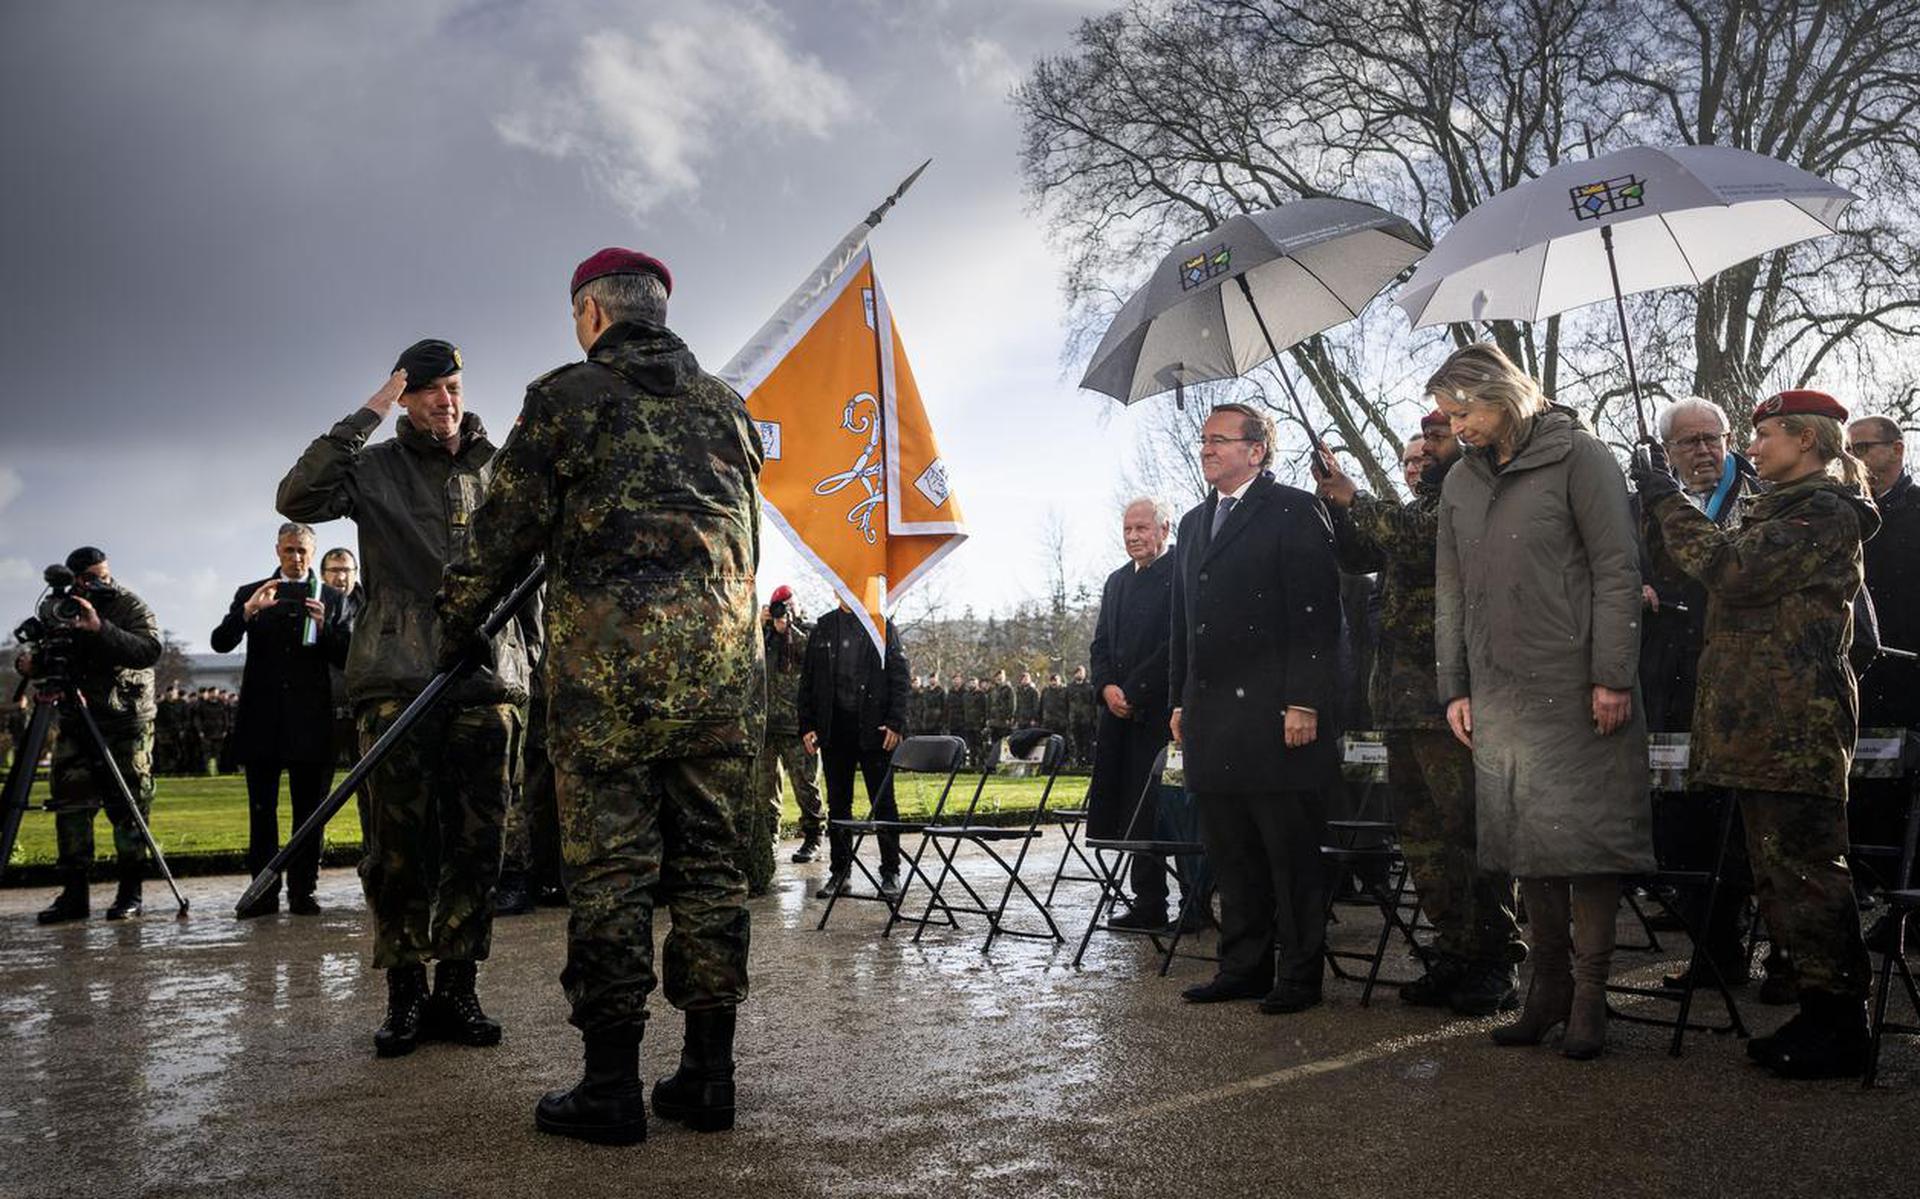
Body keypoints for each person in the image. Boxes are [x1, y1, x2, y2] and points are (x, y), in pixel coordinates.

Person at [437, 246, 763, 1144]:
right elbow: (748, 547)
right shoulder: (729, 411)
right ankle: (709, 1076)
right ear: (659, 310)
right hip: (718, 685)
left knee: (613, 877)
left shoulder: (565, 400)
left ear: (592, 313)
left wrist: (455, 620)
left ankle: (611, 1086)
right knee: (708, 874)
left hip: (607, 688)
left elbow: (502, 534)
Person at [279, 336, 533, 1057]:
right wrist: (370, 408)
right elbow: (297, 495)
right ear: (405, 396)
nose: (444, 402)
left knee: (479, 843)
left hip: (489, 681)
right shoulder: (375, 469)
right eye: (426, 391)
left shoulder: (500, 466)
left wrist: (529, 658)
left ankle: (458, 984)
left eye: (452, 387)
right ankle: (404, 992)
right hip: (399, 680)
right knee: (397, 847)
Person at [1635, 389, 1880, 1078]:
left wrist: (1667, 501)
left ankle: (1840, 1021)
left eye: (1765, 433)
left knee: (1808, 875)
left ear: (1806, 439)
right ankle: (1816, 1009)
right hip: (1761, 722)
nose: (1754, 445)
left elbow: (1732, 571)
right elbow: (1697, 565)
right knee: (1776, 875)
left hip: (1794, 721)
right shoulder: (1783, 508)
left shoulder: (1823, 511)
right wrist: (1661, 501)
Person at [1431, 343, 1652, 1061]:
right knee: (1530, 845)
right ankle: (1545, 987)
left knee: (1586, 843)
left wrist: (1613, 673)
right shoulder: (1460, 483)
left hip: (1577, 681)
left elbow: (1619, 566)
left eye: (1466, 410)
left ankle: (1590, 996)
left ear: (1506, 395)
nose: (1457, 425)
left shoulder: (1581, 457)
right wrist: (1454, 686)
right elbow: (1451, 590)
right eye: (1448, 414)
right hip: (1499, 691)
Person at [1318, 411, 1524, 1016]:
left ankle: (1494, 956)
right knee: (1422, 837)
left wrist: (1358, 494)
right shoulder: (1414, 506)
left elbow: (1418, 538)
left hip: (1453, 697)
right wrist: (1334, 499)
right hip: (1402, 699)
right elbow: (1359, 556)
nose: (1426, 450)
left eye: (1436, 438)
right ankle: (1455, 949)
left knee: (1470, 831)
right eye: (1423, 441)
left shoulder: (1474, 490)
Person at [1170, 403, 1342, 1014]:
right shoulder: (1193, 524)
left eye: (1220, 440)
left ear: (1257, 450)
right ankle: (1242, 966)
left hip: (1277, 716)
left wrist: (1305, 700)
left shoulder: (1293, 510)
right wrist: (1178, 698)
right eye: (1205, 440)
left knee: (1287, 852)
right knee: (1232, 850)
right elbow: (1183, 623)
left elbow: (1316, 616)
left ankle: (1298, 976)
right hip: (1213, 716)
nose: (1208, 449)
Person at [209, 522, 350, 918]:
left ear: (312, 552)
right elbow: (221, 642)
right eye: (289, 550)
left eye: (303, 551)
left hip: (310, 721)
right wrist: (247, 612)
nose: (296, 557)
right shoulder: (251, 592)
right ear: (277, 551)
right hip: (263, 719)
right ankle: (264, 892)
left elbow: (349, 657)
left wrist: (326, 629)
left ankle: (303, 891)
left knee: (310, 814)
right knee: (262, 812)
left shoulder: (334, 598)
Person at [20, 547, 163, 923]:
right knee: (70, 807)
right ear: (74, 579)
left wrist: (101, 627)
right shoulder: (60, 607)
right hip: (76, 719)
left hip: (124, 722)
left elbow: (149, 649)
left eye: (102, 575)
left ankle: (130, 894)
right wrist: (33, 663)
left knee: (129, 808)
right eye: (87, 579)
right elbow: (50, 654)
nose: (97, 583)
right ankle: (74, 895)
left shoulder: (129, 605)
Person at [1087, 497, 1179, 931]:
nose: (1133, 537)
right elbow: (1100, 644)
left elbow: (1177, 645)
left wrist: (1135, 690)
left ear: (1165, 528)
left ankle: (1196, 903)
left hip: (1163, 713)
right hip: (1120, 715)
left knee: (1171, 811)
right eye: (1127, 530)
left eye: (1142, 528)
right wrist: (1106, 687)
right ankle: (1149, 902)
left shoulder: (1181, 573)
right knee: (1137, 810)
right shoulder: (1117, 581)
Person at [799, 602, 909, 899]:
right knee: (838, 805)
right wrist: (807, 724)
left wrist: (895, 722)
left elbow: (900, 677)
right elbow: (808, 680)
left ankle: (891, 873)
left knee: (884, 803)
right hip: (835, 730)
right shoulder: (823, 627)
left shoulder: (882, 626)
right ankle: (840, 873)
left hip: (875, 730)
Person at [749, 587, 816, 882]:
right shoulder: (764, 634)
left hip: (798, 725)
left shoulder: (808, 632)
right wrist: (759, 624)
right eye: (778, 607)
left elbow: (812, 660)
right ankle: (768, 844)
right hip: (766, 727)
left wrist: (788, 629)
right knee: (765, 791)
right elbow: (749, 658)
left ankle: (813, 837)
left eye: (787, 606)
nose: (782, 612)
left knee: (806, 785)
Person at [320, 548, 364, 771]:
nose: (341, 577)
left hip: (364, 708)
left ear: (356, 573)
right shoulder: (312, 606)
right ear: (322, 575)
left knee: (371, 784)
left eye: (347, 570)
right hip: (323, 710)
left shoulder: (373, 607)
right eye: (335, 570)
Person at [1067, 665, 1098, 770]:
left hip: (1087, 719)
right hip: (1074, 719)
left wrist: (1094, 718)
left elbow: (1094, 704)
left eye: (1081, 672)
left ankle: (1088, 761)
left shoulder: (1090, 687)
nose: (1079, 674)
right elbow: (1066, 703)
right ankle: (1079, 761)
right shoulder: (1070, 688)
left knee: (1088, 741)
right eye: (1077, 672)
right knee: (1076, 741)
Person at [1039, 672, 1069, 741]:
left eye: (1055, 680)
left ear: (1059, 681)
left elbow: (1069, 706)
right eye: (1052, 681)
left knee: (1061, 742)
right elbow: (1041, 705)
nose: (1053, 683)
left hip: (1061, 722)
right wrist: (1040, 719)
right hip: (1048, 722)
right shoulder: (1045, 691)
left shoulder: (1065, 691)